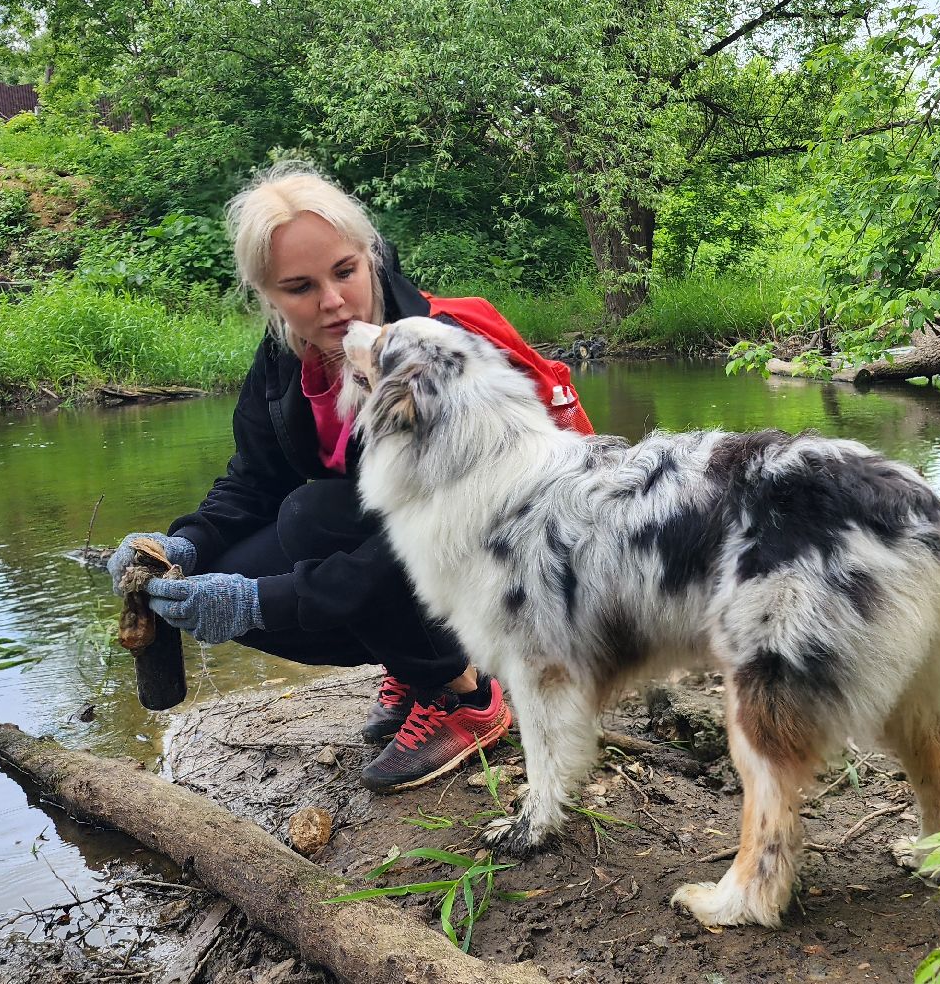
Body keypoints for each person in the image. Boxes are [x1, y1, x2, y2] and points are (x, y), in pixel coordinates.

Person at [106, 161, 591, 792]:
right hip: (436, 556)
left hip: (530, 568)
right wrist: (185, 544)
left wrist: (261, 602)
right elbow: (254, 480)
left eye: (345, 272)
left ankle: (464, 696)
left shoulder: (433, 359)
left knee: (311, 524)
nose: (333, 304)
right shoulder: (286, 357)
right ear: (269, 297)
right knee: (234, 563)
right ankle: (416, 660)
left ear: (372, 256)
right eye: (300, 287)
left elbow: (433, 539)